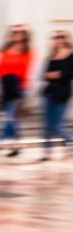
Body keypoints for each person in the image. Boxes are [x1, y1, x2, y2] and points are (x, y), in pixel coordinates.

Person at [0, 25, 33, 158]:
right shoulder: (5, 50)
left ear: (25, 35)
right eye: (14, 32)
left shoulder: (28, 52)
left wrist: (10, 74)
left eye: (20, 33)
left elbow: (24, 70)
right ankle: (16, 144)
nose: (16, 35)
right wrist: (5, 75)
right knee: (11, 118)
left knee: (8, 117)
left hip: (19, 87)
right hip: (5, 86)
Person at [41, 29, 72, 160]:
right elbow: (45, 75)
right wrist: (55, 75)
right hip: (50, 93)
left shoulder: (71, 55)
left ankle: (70, 139)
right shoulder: (52, 56)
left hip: (62, 94)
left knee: (57, 124)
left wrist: (57, 74)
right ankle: (47, 151)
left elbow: (70, 74)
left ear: (65, 39)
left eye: (61, 37)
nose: (58, 40)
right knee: (47, 124)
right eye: (56, 38)